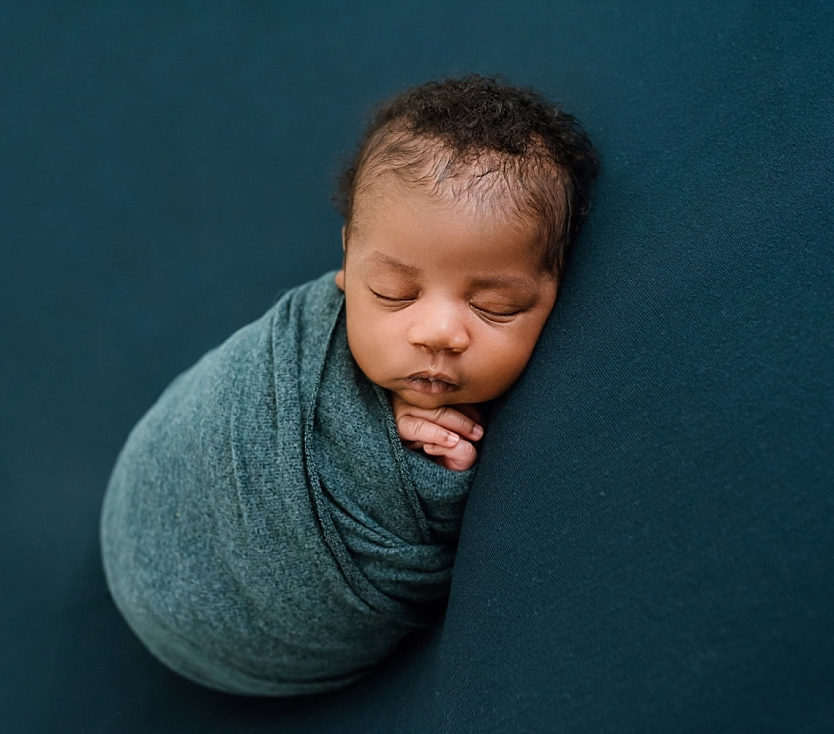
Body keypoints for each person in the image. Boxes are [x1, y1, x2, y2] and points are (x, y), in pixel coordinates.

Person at [100, 74, 599, 696]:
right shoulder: (296, 345)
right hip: (150, 509)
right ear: (349, 264)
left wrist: (424, 476)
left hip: (264, 648)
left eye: (496, 306)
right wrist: (374, 433)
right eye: (394, 293)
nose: (439, 332)